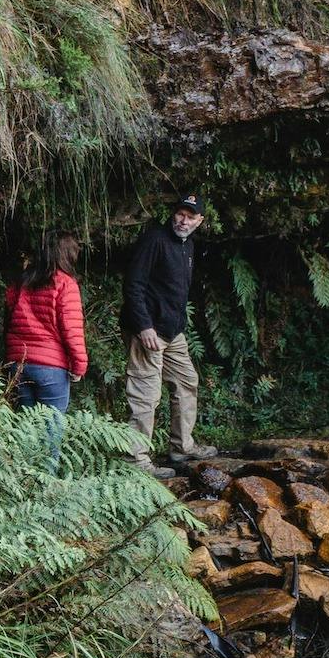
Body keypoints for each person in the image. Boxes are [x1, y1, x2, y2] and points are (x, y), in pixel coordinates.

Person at [125, 192, 210, 478]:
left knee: (187, 382)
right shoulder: (155, 240)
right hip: (148, 330)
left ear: (200, 221)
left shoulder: (187, 245)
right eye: (180, 214)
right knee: (146, 394)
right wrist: (143, 326)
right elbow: (133, 284)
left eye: (190, 217)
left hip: (173, 331)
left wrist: (178, 325)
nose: (183, 221)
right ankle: (136, 460)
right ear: (173, 213)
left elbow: (177, 290)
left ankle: (181, 446)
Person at [4, 234, 89, 468]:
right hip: (50, 369)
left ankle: (24, 478)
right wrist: (79, 365)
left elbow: (8, 321)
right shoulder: (65, 284)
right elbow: (72, 330)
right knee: (51, 429)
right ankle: (45, 482)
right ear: (66, 255)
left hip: (18, 364)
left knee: (27, 427)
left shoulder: (19, 282)